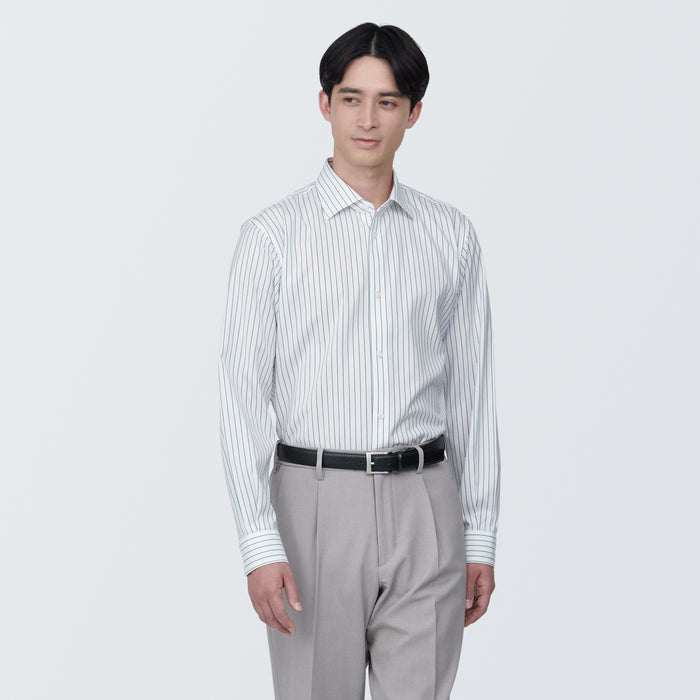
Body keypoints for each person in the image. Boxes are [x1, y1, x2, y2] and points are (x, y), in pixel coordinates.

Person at [218, 22, 501, 700]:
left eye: (387, 101)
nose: (367, 119)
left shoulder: (450, 236)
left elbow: (473, 393)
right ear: (325, 104)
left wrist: (479, 536)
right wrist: (260, 543)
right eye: (351, 99)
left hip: (426, 503)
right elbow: (240, 397)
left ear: (414, 112)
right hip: (312, 506)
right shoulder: (271, 238)